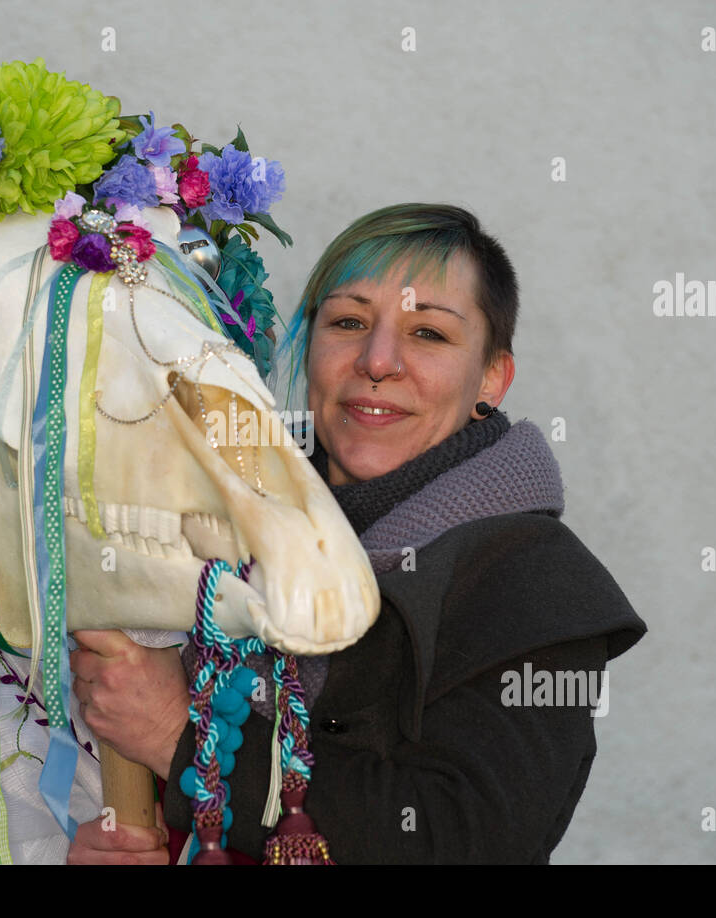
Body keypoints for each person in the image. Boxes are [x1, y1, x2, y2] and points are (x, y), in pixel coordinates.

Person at [67, 203, 647, 864]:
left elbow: (467, 838)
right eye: (348, 322)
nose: (377, 361)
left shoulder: (530, 577)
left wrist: (179, 734)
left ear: (491, 378)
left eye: (427, 333)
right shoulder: (212, 532)